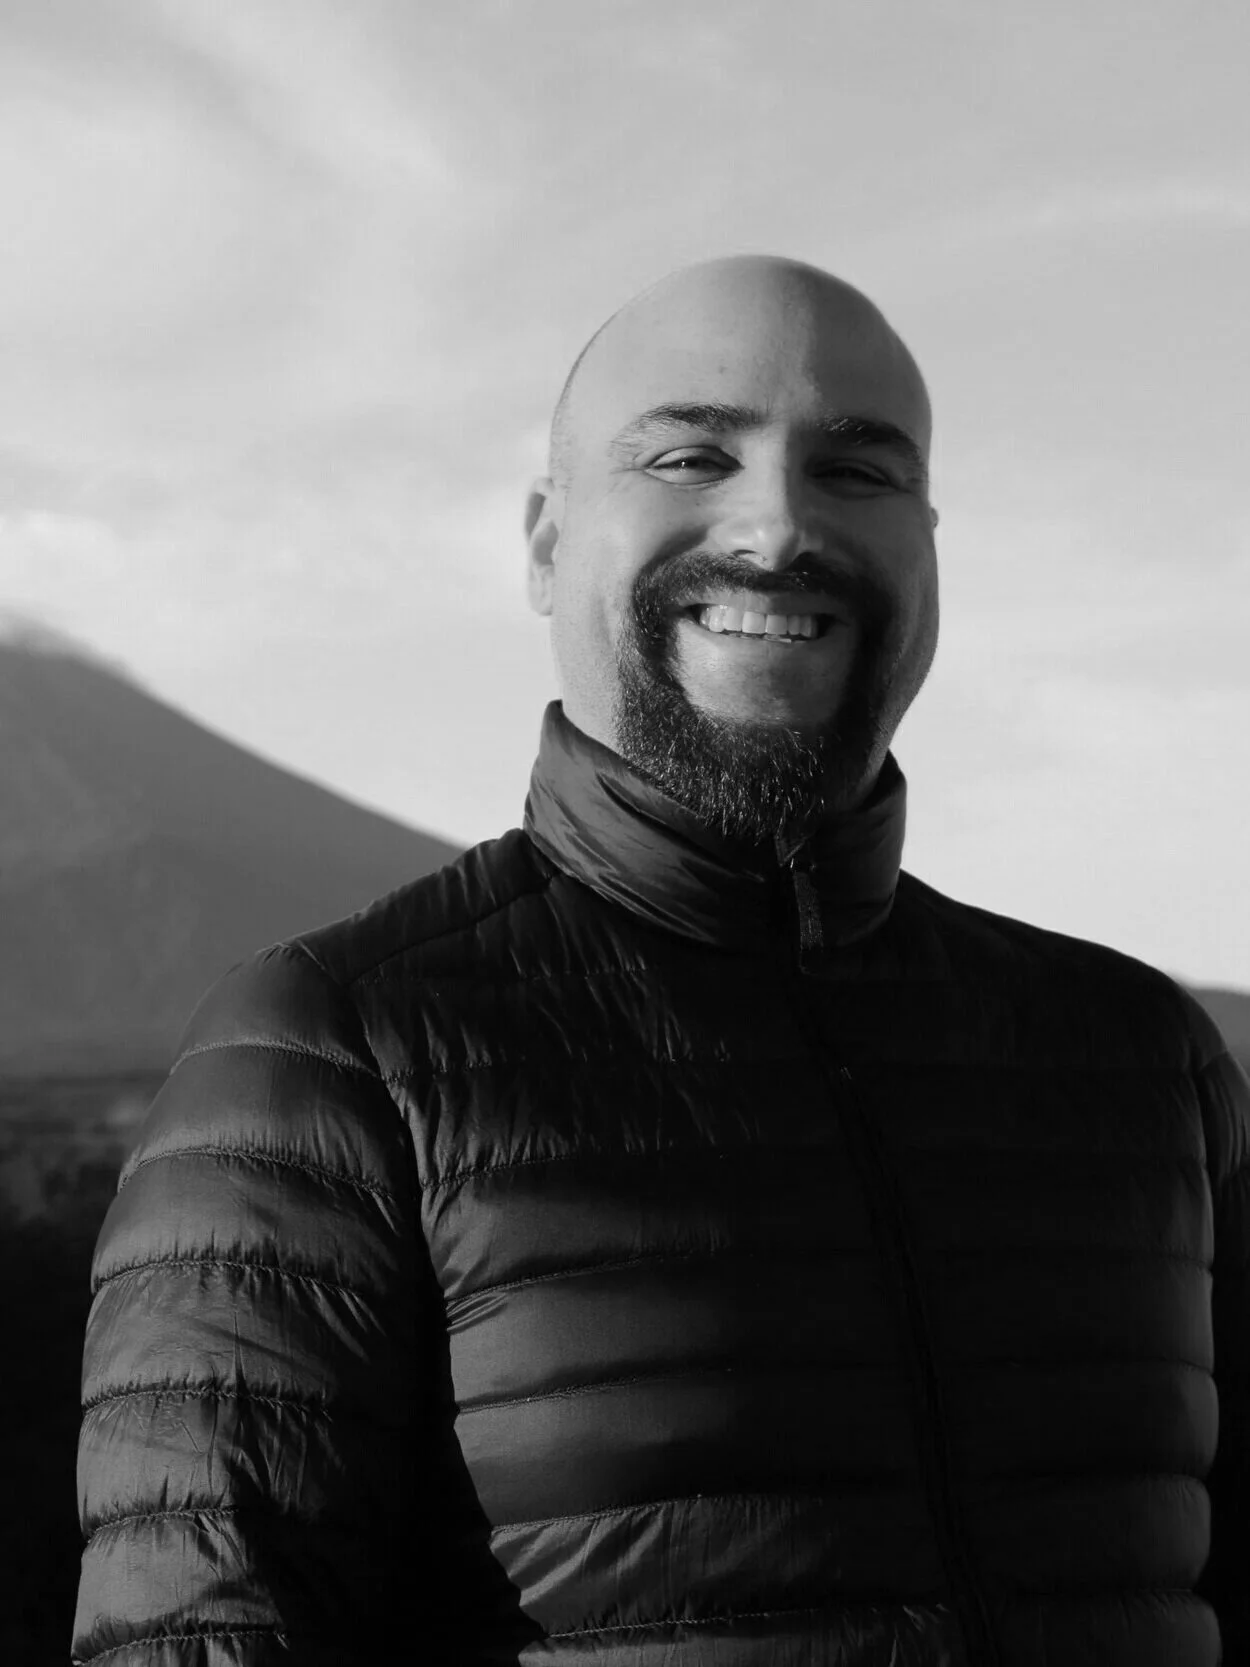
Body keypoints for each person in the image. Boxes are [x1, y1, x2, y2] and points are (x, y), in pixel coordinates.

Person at [73, 256, 1249, 1667]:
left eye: (857, 470)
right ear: (544, 543)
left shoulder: (1139, 1058)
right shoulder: (332, 1057)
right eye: (691, 456)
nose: (777, 525)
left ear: (929, 547)